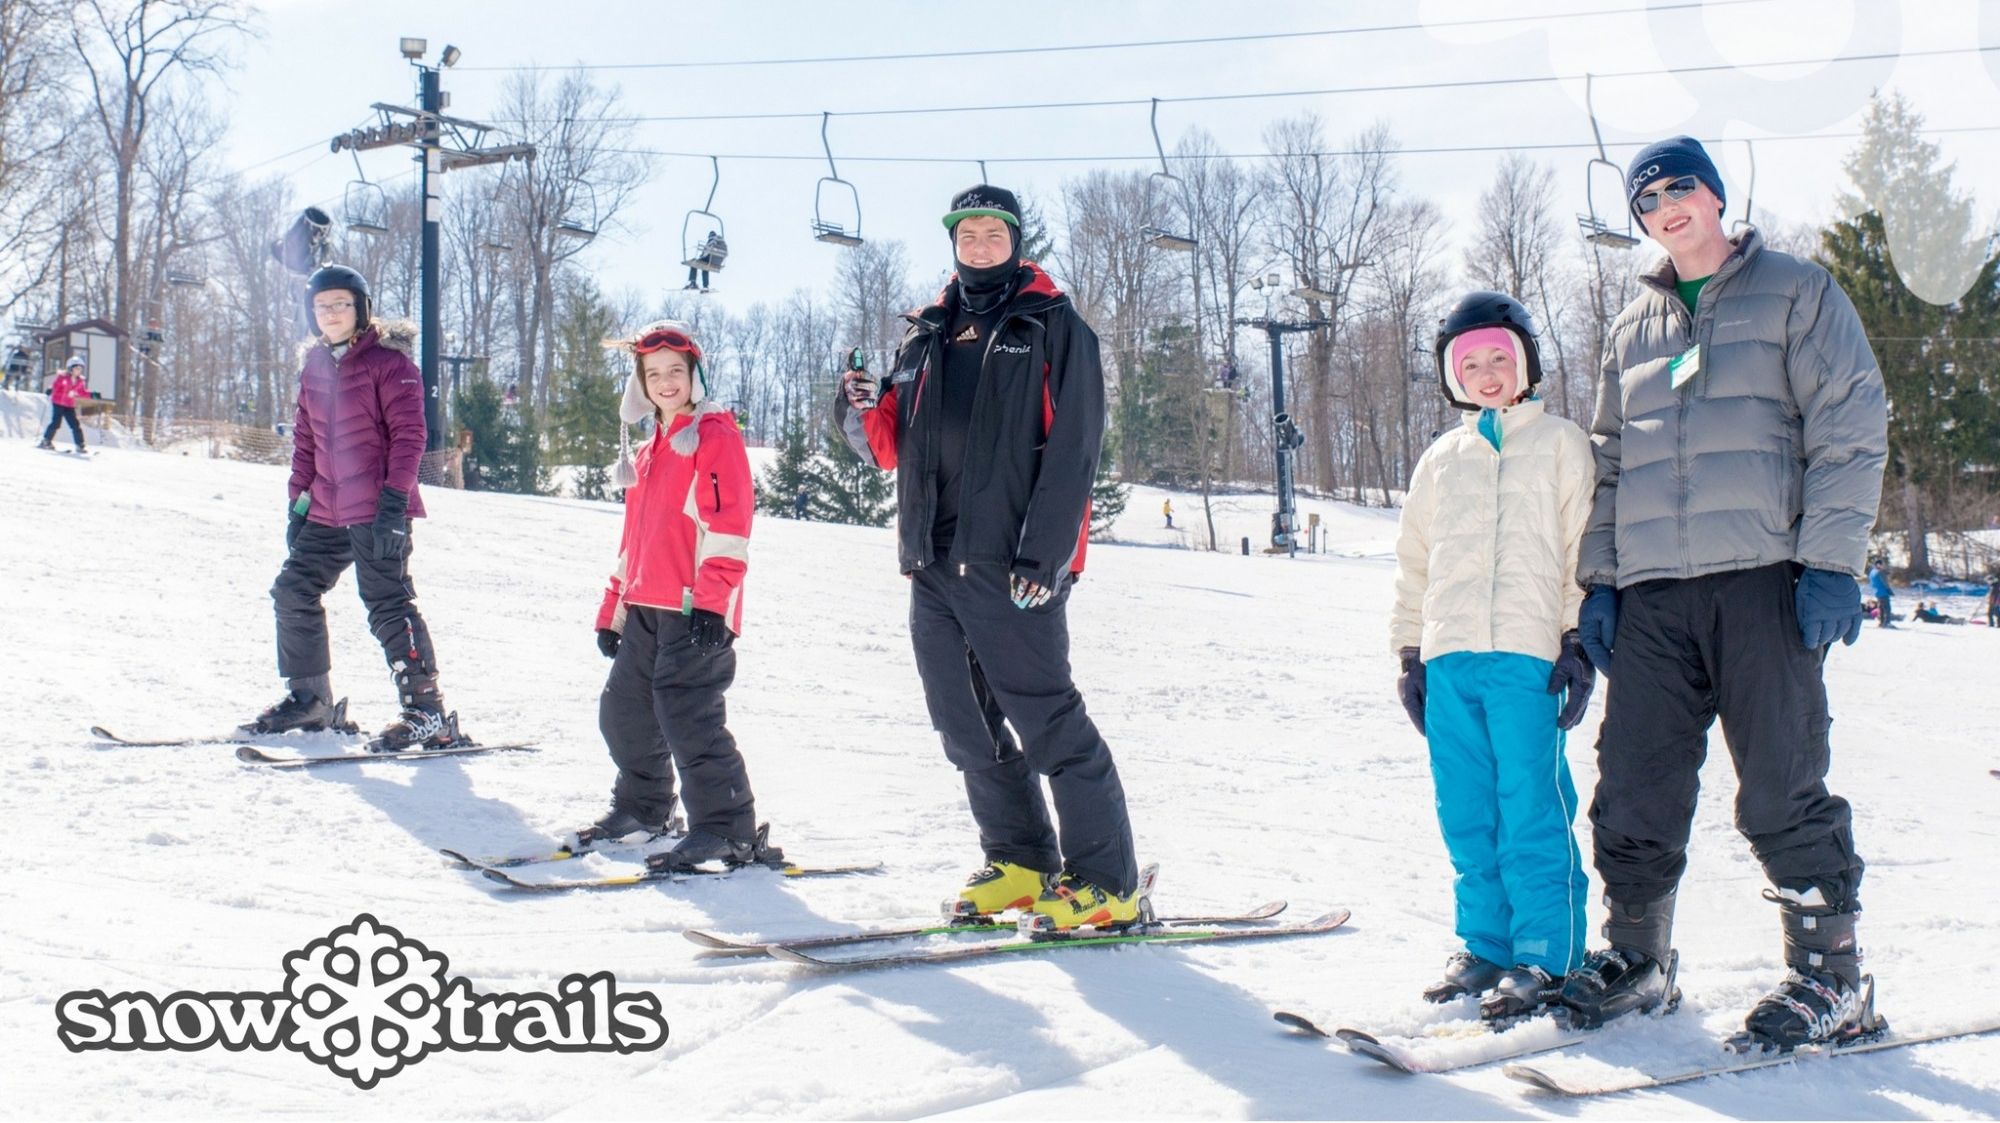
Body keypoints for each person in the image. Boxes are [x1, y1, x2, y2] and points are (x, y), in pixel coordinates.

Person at [1567, 137, 1888, 1051]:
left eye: (1679, 188)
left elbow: (1851, 419)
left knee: (1782, 784)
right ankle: (1639, 959)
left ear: (1713, 195)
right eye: (1647, 200)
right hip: (1658, 596)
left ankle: (1832, 976)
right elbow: (1608, 462)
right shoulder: (1633, 330)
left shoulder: (1796, 290)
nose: (1666, 207)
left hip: (1762, 582)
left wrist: (1831, 558)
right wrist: (1602, 580)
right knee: (1633, 783)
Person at [834, 184, 1142, 931]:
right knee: (963, 722)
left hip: (1012, 565)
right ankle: (1022, 861)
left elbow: (1075, 448)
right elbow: (888, 448)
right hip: (932, 562)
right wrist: (852, 405)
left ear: (1015, 240)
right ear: (953, 243)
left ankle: (1107, 881)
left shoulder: (1052, 325)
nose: (978, 247)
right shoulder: (926, 333)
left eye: (991, 235)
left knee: (1047, 720)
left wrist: (1045, 555)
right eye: (966, 235)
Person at [1391, 291, 1595, 1019]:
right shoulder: (1442, 459)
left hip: (1527, 654)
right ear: (1451, 373)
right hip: (1450, 660)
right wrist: (1410, 652)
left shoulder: (1563, 444)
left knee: (1530, 805)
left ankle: (1548, 950)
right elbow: (1415, 560)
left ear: (1526, 362)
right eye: (1469, 361)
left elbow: (1582, 550)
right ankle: (1486, 944)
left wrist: (1578, 641)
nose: (1485, 372)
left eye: (1498, 358)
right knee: (1466, 810)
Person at [244, 265, 457, 752]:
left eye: (341, 303)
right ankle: (310, 698)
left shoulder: (389, 362)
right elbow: (304, 444)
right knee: (292, 591)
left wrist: (393, 504)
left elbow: (410, 437)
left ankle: (428, 711)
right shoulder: (314, 367)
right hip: (325, 508)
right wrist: (298, 507)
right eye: (322, 306)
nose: (331, 313)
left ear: (360, 308)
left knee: (386, 601)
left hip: (378, 505)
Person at [587, 319, 770, 869]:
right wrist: (612, 610)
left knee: (687, 715)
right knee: (623, 712)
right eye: (653, 373)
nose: (666, 382)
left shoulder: (715, 436)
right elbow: (633, 542)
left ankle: (727, 827)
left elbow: (730, 526)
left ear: (696, 375)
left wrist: (714, 601)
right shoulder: (649, 451)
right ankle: (646, 808)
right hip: (645, 606)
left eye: (676, 371)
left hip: (695, 610)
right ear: (639, 384)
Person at [37, 356, 89, 452]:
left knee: (75, 424)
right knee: (56, 423)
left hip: (69, 405)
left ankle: (80, 445)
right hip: (58, 403)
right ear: (70, 368)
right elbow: (55, 387)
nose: (79, 371)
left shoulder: (80, 381)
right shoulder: (62, 377)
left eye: (80, 369)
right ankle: (46, 441)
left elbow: (82, 392)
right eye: (77, 368)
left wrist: (92, 395)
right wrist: (51, 389)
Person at [1867, 560, 1895, 629]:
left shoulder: (1872, 572)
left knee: (1881, 607)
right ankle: (1887, 622)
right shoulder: (1880, 572)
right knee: (1887, 608)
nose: (1883, 566)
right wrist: (1889, 590)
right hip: (1883, 592)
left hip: (1876, 592)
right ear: (1878, 565)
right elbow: (1884, 582)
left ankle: (1881, 622)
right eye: (1882, 565)